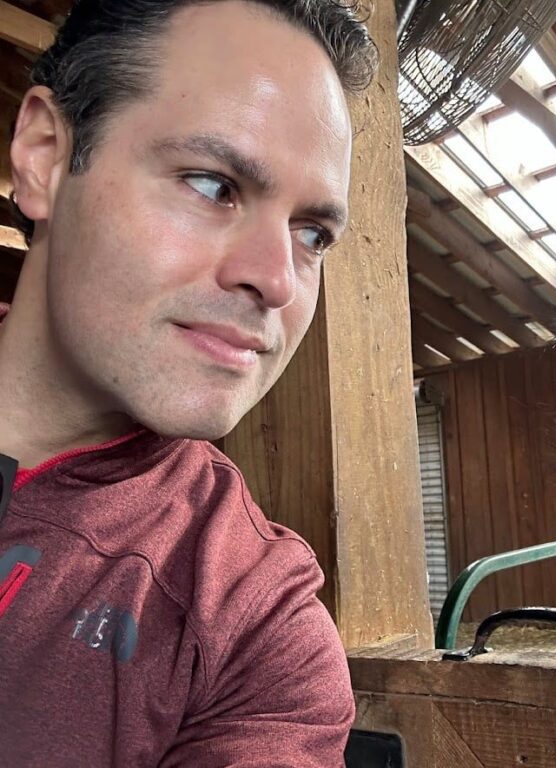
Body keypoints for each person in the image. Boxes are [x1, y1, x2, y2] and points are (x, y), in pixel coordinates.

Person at [0, 1, 379, 765]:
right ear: (43, 155)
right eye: (212, 185)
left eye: (313, 236)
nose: (277, 279)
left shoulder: (256, 629)